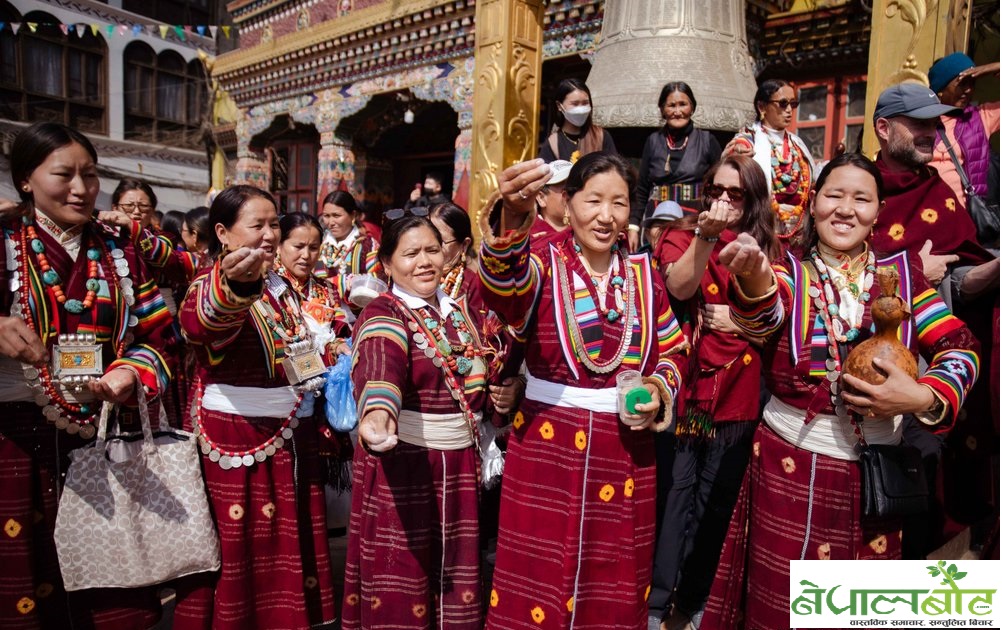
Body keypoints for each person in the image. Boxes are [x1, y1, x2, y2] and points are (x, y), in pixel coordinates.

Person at [700, 153, 980, 629]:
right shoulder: (790, 270)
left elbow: (960, 345)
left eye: (861, 199)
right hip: (790, 472)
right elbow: (766, 312)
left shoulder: (904, 278)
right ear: (812, 205)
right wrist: (752, 276)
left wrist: (923, 398)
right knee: (782, 607)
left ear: (878, 212)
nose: (845, 209)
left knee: (857, 613)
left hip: (876, 482)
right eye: (833, 195)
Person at [479, 153, 689, 628]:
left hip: (625, 449)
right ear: (567, 203)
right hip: (546, 446)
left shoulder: (642, 273)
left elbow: (675, 348)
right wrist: (513, 215)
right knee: (539, 571)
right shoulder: (542, 262)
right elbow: (503, 289)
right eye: (593, 200)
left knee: (611, 573)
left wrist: (657, 388)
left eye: (618, 203)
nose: (606, 215)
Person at [0, 122, 175, 628]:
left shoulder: (119, 248)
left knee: (110, 592)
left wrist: (131, 373)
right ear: (26, 180)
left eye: (91, 175)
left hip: (104, 435)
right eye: (64, 174)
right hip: (16, 438)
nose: (81, 188)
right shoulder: (4, 242)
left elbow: (158, 338)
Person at [174, 185, 338, 630]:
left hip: (289, 427)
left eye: (273, 224)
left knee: (286, 542)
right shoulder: (210, 285)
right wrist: (235, 286)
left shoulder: (280, 285)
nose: (269, 234)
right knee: (242, 546)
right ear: (223, 233)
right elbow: (206, 322)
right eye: (257, 225)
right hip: (237, 434)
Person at [343, 213, 507, 629]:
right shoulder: (384, 312)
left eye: (432, 250)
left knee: (456, 576)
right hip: (407, 462)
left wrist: (511, 387)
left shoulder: (461, 313)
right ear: (386, 264)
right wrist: (378, 414)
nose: (424, 262)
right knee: (402, 577)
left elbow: (498, 356)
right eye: (410, 253)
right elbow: (382, 364)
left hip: (459, 468)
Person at [648, 155, 780, 630]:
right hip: (690, 389)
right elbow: (681, 288)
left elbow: (781, 322)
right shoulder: (682, 236)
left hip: (742, 390)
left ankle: (695, 599)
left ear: (752, 201)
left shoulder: (771, 251)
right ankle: (657, 602)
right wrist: (706, 235)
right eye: (716, 190)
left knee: (716, 501)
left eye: (735, 194)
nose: (723, 201)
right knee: (676, 494)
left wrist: (742, 323)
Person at [630, 82, 723, 251]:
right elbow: (642, 188)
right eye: (671, 105)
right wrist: (633, 226)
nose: (677, 111)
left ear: (692, 107)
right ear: (662, 110)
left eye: (683, 104)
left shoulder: (707, 141)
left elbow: (719, 185)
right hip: (657, 219)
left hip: (693, 217)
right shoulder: (653, 141)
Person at [725, 79, 817, 242]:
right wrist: (738, 156)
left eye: (793, 104)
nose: (789, 110)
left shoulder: (797, 144)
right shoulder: (748, 139)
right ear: (762, 107)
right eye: (783, 103)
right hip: (760, 230)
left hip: (797, 231)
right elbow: (734, 163)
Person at [927, 54, 1000, 216]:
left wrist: (995, 67)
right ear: (941, 88)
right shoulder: (922, 121)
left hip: (967, 220)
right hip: (929, 217)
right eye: (962, 84)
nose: (968, 90)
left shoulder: (981, 117)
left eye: (972, 84)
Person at [316, 190, 382, 306]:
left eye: (336, 216)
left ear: (353, 215)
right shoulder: (318, 243)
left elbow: (378, 278)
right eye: (326, 216)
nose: (331, 222)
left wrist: (339, 282)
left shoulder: (367, 245)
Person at [539, 78, 617, 163]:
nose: (581, 109)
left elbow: (614, 168)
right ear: (559, 106)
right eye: (575, 104)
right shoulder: (553, 143)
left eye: (585, 103)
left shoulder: (601, 136)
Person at [531, 159, 573, 241]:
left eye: (577, 187)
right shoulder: (530, 241)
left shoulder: (587, 233)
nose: (573, 194)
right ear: (541, 198)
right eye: (566, 190)